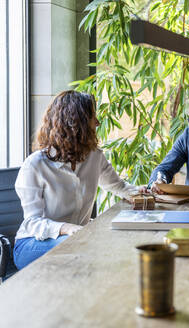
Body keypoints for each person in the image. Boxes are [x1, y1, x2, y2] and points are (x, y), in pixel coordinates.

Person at [14, 90, 144, 269]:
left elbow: (119, 186)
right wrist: (67, 229)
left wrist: (143, 191)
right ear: (76, 124)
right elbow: (32, 223)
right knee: (83, 249)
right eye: (93, 117)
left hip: (80, 241)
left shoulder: (94, 157)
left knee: (99, 247)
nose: (98, 123)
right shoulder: (35, 165)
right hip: (32, 244)